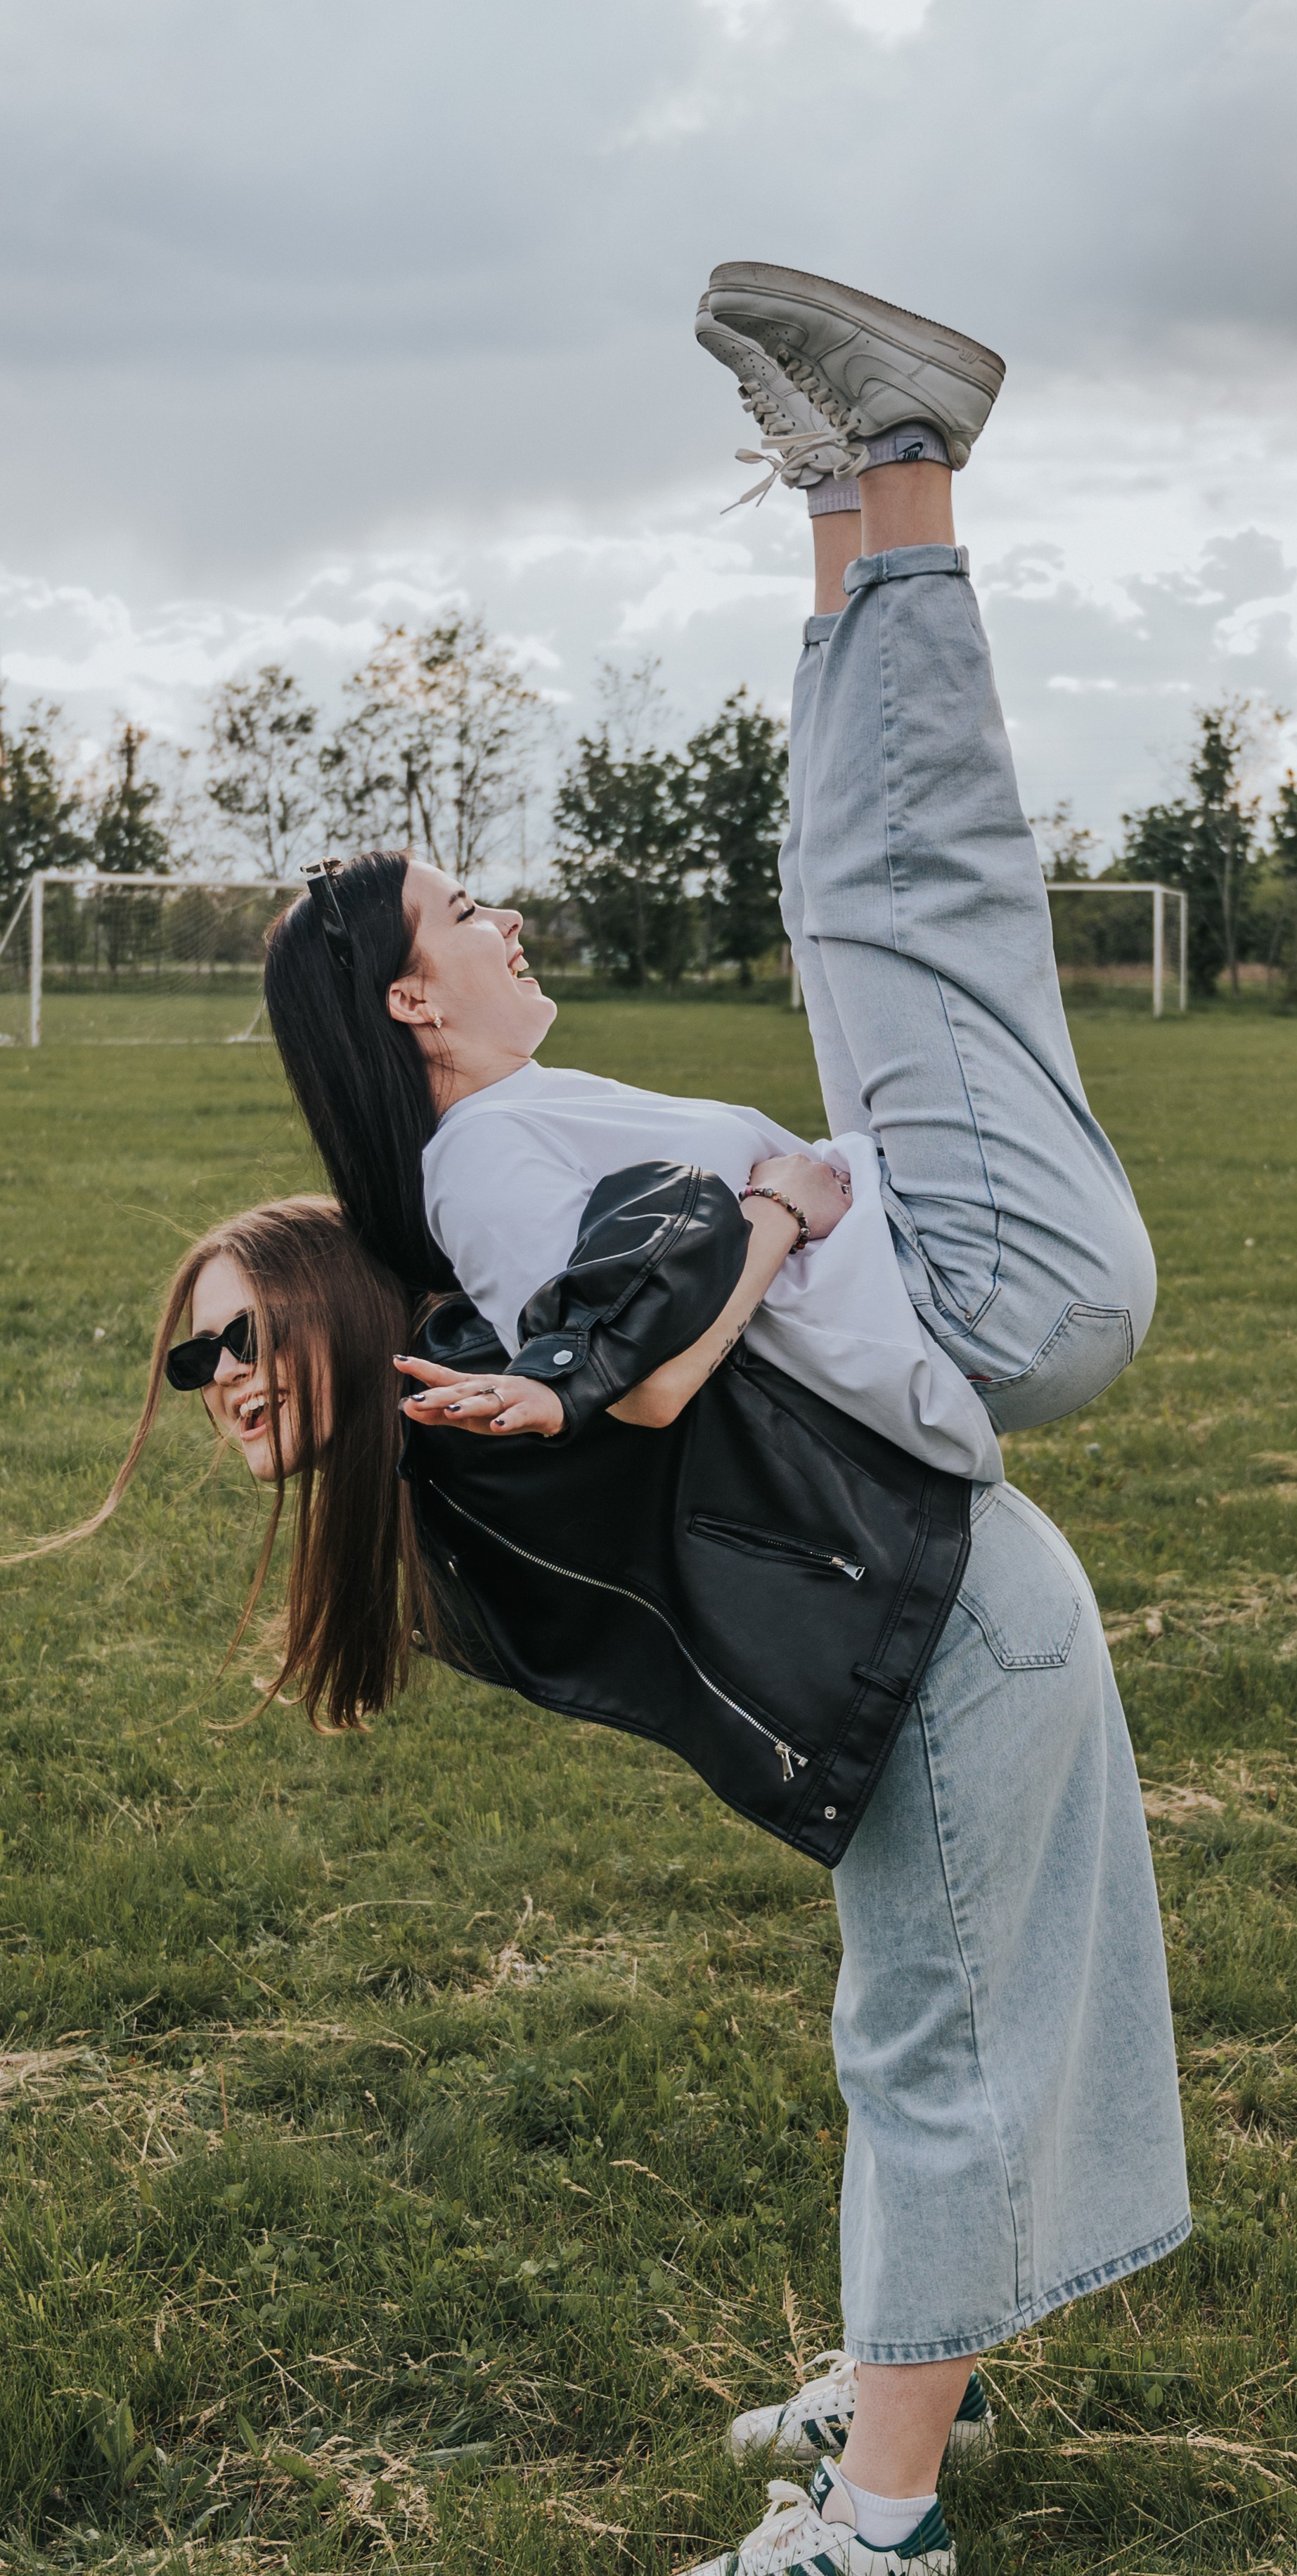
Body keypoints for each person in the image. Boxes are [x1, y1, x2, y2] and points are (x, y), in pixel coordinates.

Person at [117, 270, 1191, 2576]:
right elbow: (643, 1289)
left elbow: (572, 1285)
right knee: (878, 901)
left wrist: (757, 1228)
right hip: (981, 1333)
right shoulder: (498, 1166)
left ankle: (894, 2449)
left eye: (230, 1357)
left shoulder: (489, 1152)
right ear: (416, 998)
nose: (507, 919)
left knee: (946, 2008)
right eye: (469, 909)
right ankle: (878, 483)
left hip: (959, 1445)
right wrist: (767, 1222)